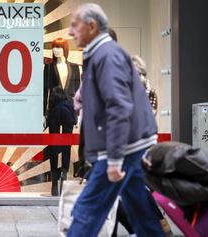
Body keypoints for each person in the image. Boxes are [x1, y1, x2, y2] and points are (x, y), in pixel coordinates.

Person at [67, 3, 165, 237]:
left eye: (74, 26)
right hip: (130, 146)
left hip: (121, 149)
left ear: (92, 26)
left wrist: (113, 159)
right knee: (141, 212)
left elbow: (118, 107)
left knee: (87, 210)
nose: (70, 32)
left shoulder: (106, 56)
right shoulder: (101, 54)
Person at [43, 37, 80, 196]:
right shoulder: (49, 68)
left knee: (67, 143)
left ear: (64, 48)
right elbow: (45, 91)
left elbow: (78, 92)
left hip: (69, 108)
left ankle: (64, 172)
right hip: (54, 109)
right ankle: (54, 179)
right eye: (53, 48)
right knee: (53, 144)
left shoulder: (74, 68)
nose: (55, 50)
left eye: (58, 47)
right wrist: (43, 113)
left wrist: (78, 112)